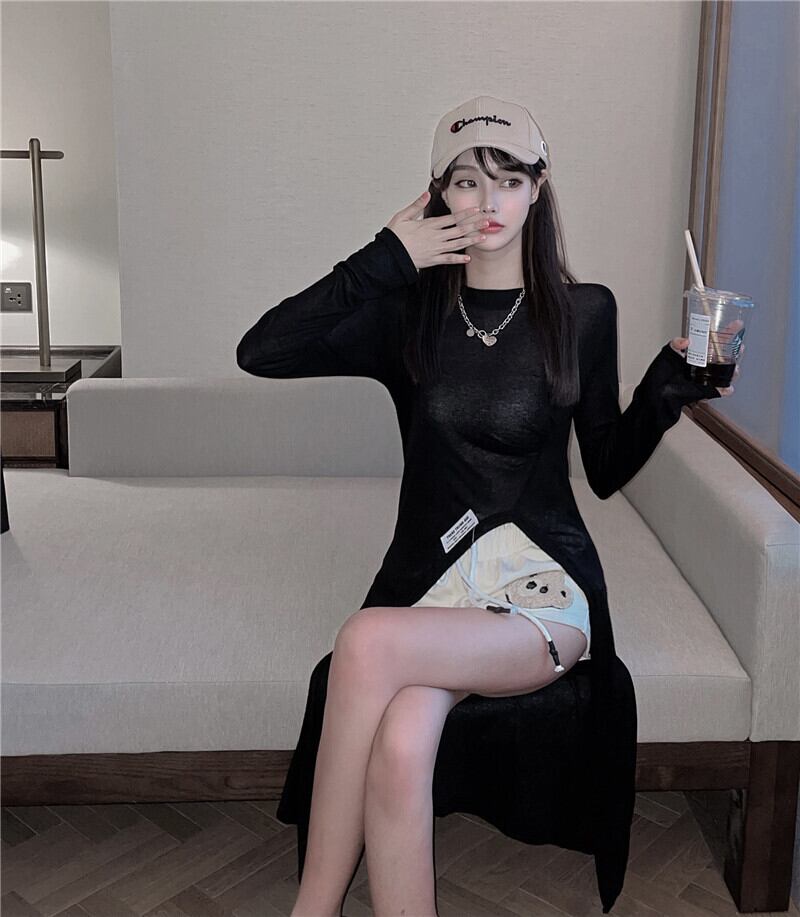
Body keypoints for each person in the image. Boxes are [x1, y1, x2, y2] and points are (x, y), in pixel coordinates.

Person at [236, 95, 740, 917]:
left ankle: (311, 910)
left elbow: (604, 468)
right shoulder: (408, 312)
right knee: (402, 743)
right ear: (438, 194)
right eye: (466, 181)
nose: (488, 201)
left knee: (362, 641)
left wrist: (667, 388)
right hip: (434, 584)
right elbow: (261, 350)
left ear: (539, 189)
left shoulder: (583, 312)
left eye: (508, 179)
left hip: (544, 590)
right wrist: (384, 258)